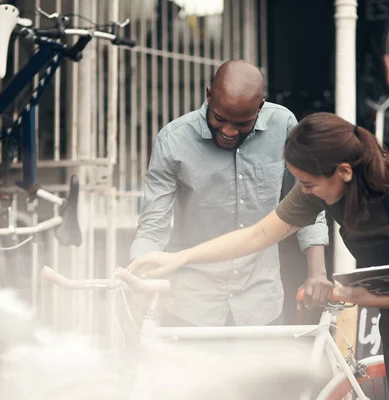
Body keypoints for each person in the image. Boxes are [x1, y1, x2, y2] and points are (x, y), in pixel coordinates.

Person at [126, 112, 389, 400]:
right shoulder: (322, 187)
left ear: (344, 172)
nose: (305, 192)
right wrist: (179, 258)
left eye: (310, 184)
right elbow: (257, 235)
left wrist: (361, 296)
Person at [129, 60, 329, 327]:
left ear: (260, 107)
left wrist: (317, 273)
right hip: (192, 307)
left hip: (261, 303)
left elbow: (308, 205)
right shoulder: (173, 140)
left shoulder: (283, 126)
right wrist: (139, 275)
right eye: (220, 119)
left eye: (242, 123)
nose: (228, 131)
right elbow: (153, 225)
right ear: (208, 94)